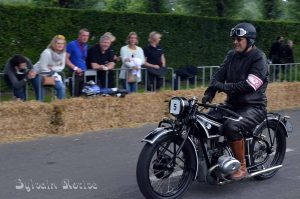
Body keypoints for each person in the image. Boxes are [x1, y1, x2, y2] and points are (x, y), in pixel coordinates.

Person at [202, 23, 268, 180]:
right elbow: (219, 75)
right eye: (234, 39)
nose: (235, 42)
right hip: (232, 105)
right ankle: (216, 158)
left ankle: (241, 167)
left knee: (232, 126)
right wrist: (209, 93)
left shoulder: (259, 58)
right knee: (206, 122)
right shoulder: (231, 55)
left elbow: (250, 85)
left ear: (250, 41)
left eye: (239, 39)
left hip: (253, 106)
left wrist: (223, 87)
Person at [32, 35, 67, 101]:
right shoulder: (47, 52)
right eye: (58, 43)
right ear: (54, 44)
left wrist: (52, 68)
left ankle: (58, 106)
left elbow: (61, 67)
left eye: (62, 44)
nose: (60, 45)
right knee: (41, 93)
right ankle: (40, 107)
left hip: (51, 74)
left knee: (61, 87)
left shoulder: (63, 53)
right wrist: (53, 71)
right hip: (37, 74)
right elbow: (43, 68)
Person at [66, 28, 90, 97]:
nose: (85, 37)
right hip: (74, 74)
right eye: (83, 35)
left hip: (83, 74)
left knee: (82, 97)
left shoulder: (86, 46)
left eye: (87, 36)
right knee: (74, 96)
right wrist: (75, 68)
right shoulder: (71, 45)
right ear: (79, 35)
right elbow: (65, 59)